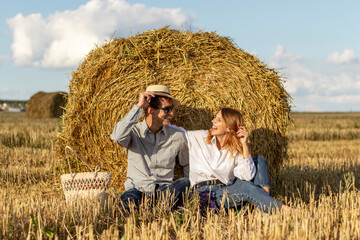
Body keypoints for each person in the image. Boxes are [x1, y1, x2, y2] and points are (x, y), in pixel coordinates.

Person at [180, 107, 289, 213]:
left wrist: (244, 145)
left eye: (218, 120)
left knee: (259, 161)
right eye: (215, 118)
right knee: (245, 187)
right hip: (204, 195)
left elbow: (247, 176)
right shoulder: (198, 137)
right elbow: (175, 132)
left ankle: (264, 204)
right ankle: (284, 210)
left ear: (229, 128)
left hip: (227, 192)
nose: (213, 121)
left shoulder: (235, 150)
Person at [111, 85, 190, 213]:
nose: (172, 113)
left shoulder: (178, 136)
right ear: (151, 111)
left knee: (184, 183)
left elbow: (187, 164)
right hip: (137, 190)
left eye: (171, 109)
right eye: (167, 109)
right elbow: (117, 136)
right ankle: (154, 211)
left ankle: (155, 209)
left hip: (164, 192)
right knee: (126, 208)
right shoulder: (133, 133)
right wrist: (139, 106)